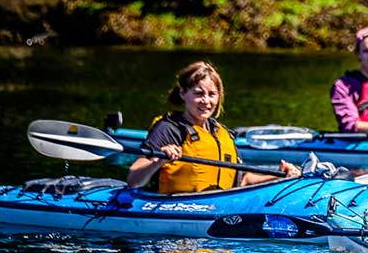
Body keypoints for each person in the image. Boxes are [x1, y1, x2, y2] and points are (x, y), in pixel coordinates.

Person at [127, 61, 300, 193]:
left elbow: (243, 180)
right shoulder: (169, 128)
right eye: (198, 93)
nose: (206, 101)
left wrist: (280, 175)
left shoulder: (222, 133)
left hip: (218, 208)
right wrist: (159, 161)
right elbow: (133, 180)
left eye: (212, 94)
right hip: (175, 212)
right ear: (183, 93)